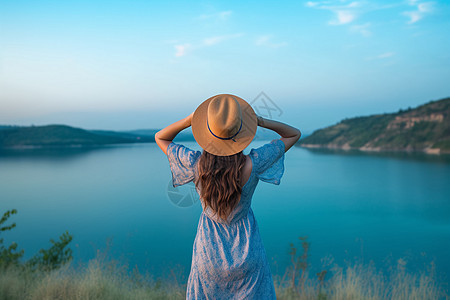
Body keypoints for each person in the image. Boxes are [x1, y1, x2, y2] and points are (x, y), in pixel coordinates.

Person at [155, 94, 301, 299]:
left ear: (207, 132)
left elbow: (161, 137)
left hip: (208, 254)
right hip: (248, 251)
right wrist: (260, 121)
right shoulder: (255, 163)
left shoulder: (195, 164)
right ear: (241, 133)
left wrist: (190, 120)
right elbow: (293, 134)